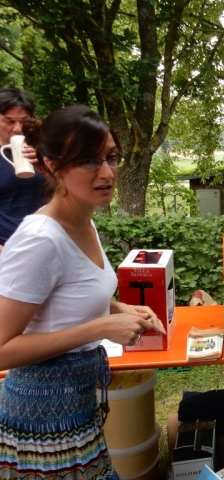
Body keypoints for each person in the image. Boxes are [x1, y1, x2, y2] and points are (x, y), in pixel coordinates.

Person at [0, 105, 166, 478]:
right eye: (88, 161)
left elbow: (65, 296)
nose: (107, 173)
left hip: (79, 410)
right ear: (51, 165)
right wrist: (100, 327)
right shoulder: (40, 239)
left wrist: (117, 307)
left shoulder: (84, 224)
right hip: (41, 423)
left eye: (111, 157)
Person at [0, 88, 47, 253]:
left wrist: (46, 167)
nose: (18, 128)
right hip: (6, 251)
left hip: (44, 245)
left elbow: (65, 193)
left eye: (23, 121)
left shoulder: (45, 152)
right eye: (9, 121)